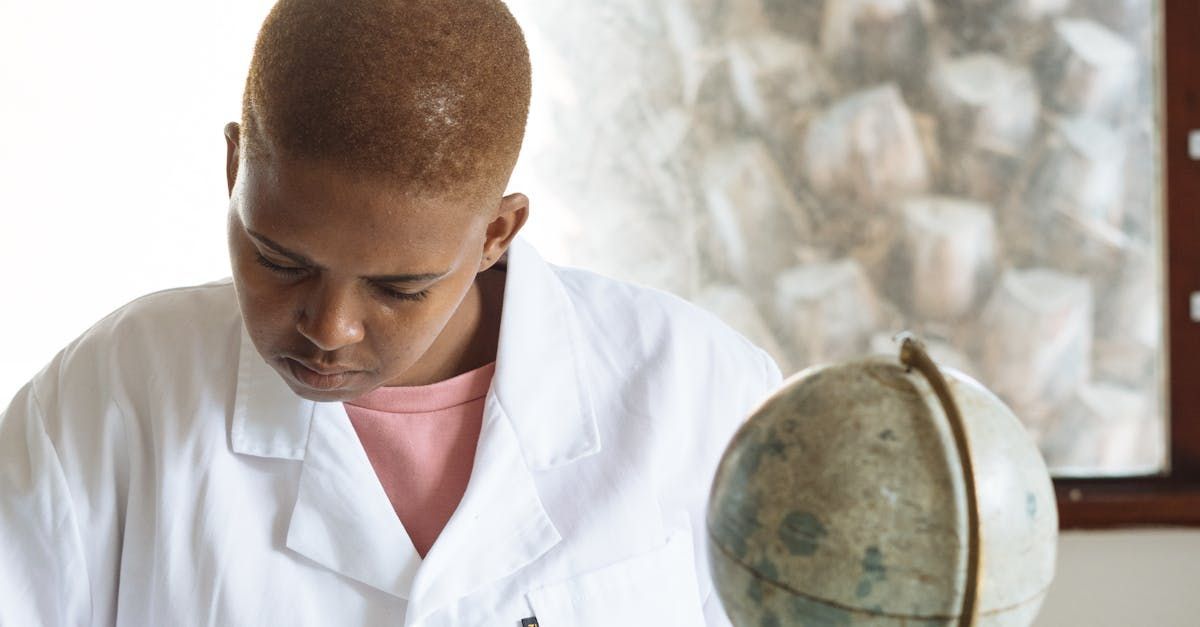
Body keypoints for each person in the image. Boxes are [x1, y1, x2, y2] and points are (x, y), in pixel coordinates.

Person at [0, 1, 782, 625]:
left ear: (496, 233)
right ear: (236, 166)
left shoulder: (701, 391)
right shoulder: (110, 398)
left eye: (399, 287)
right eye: (280, 259)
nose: (329, 327)